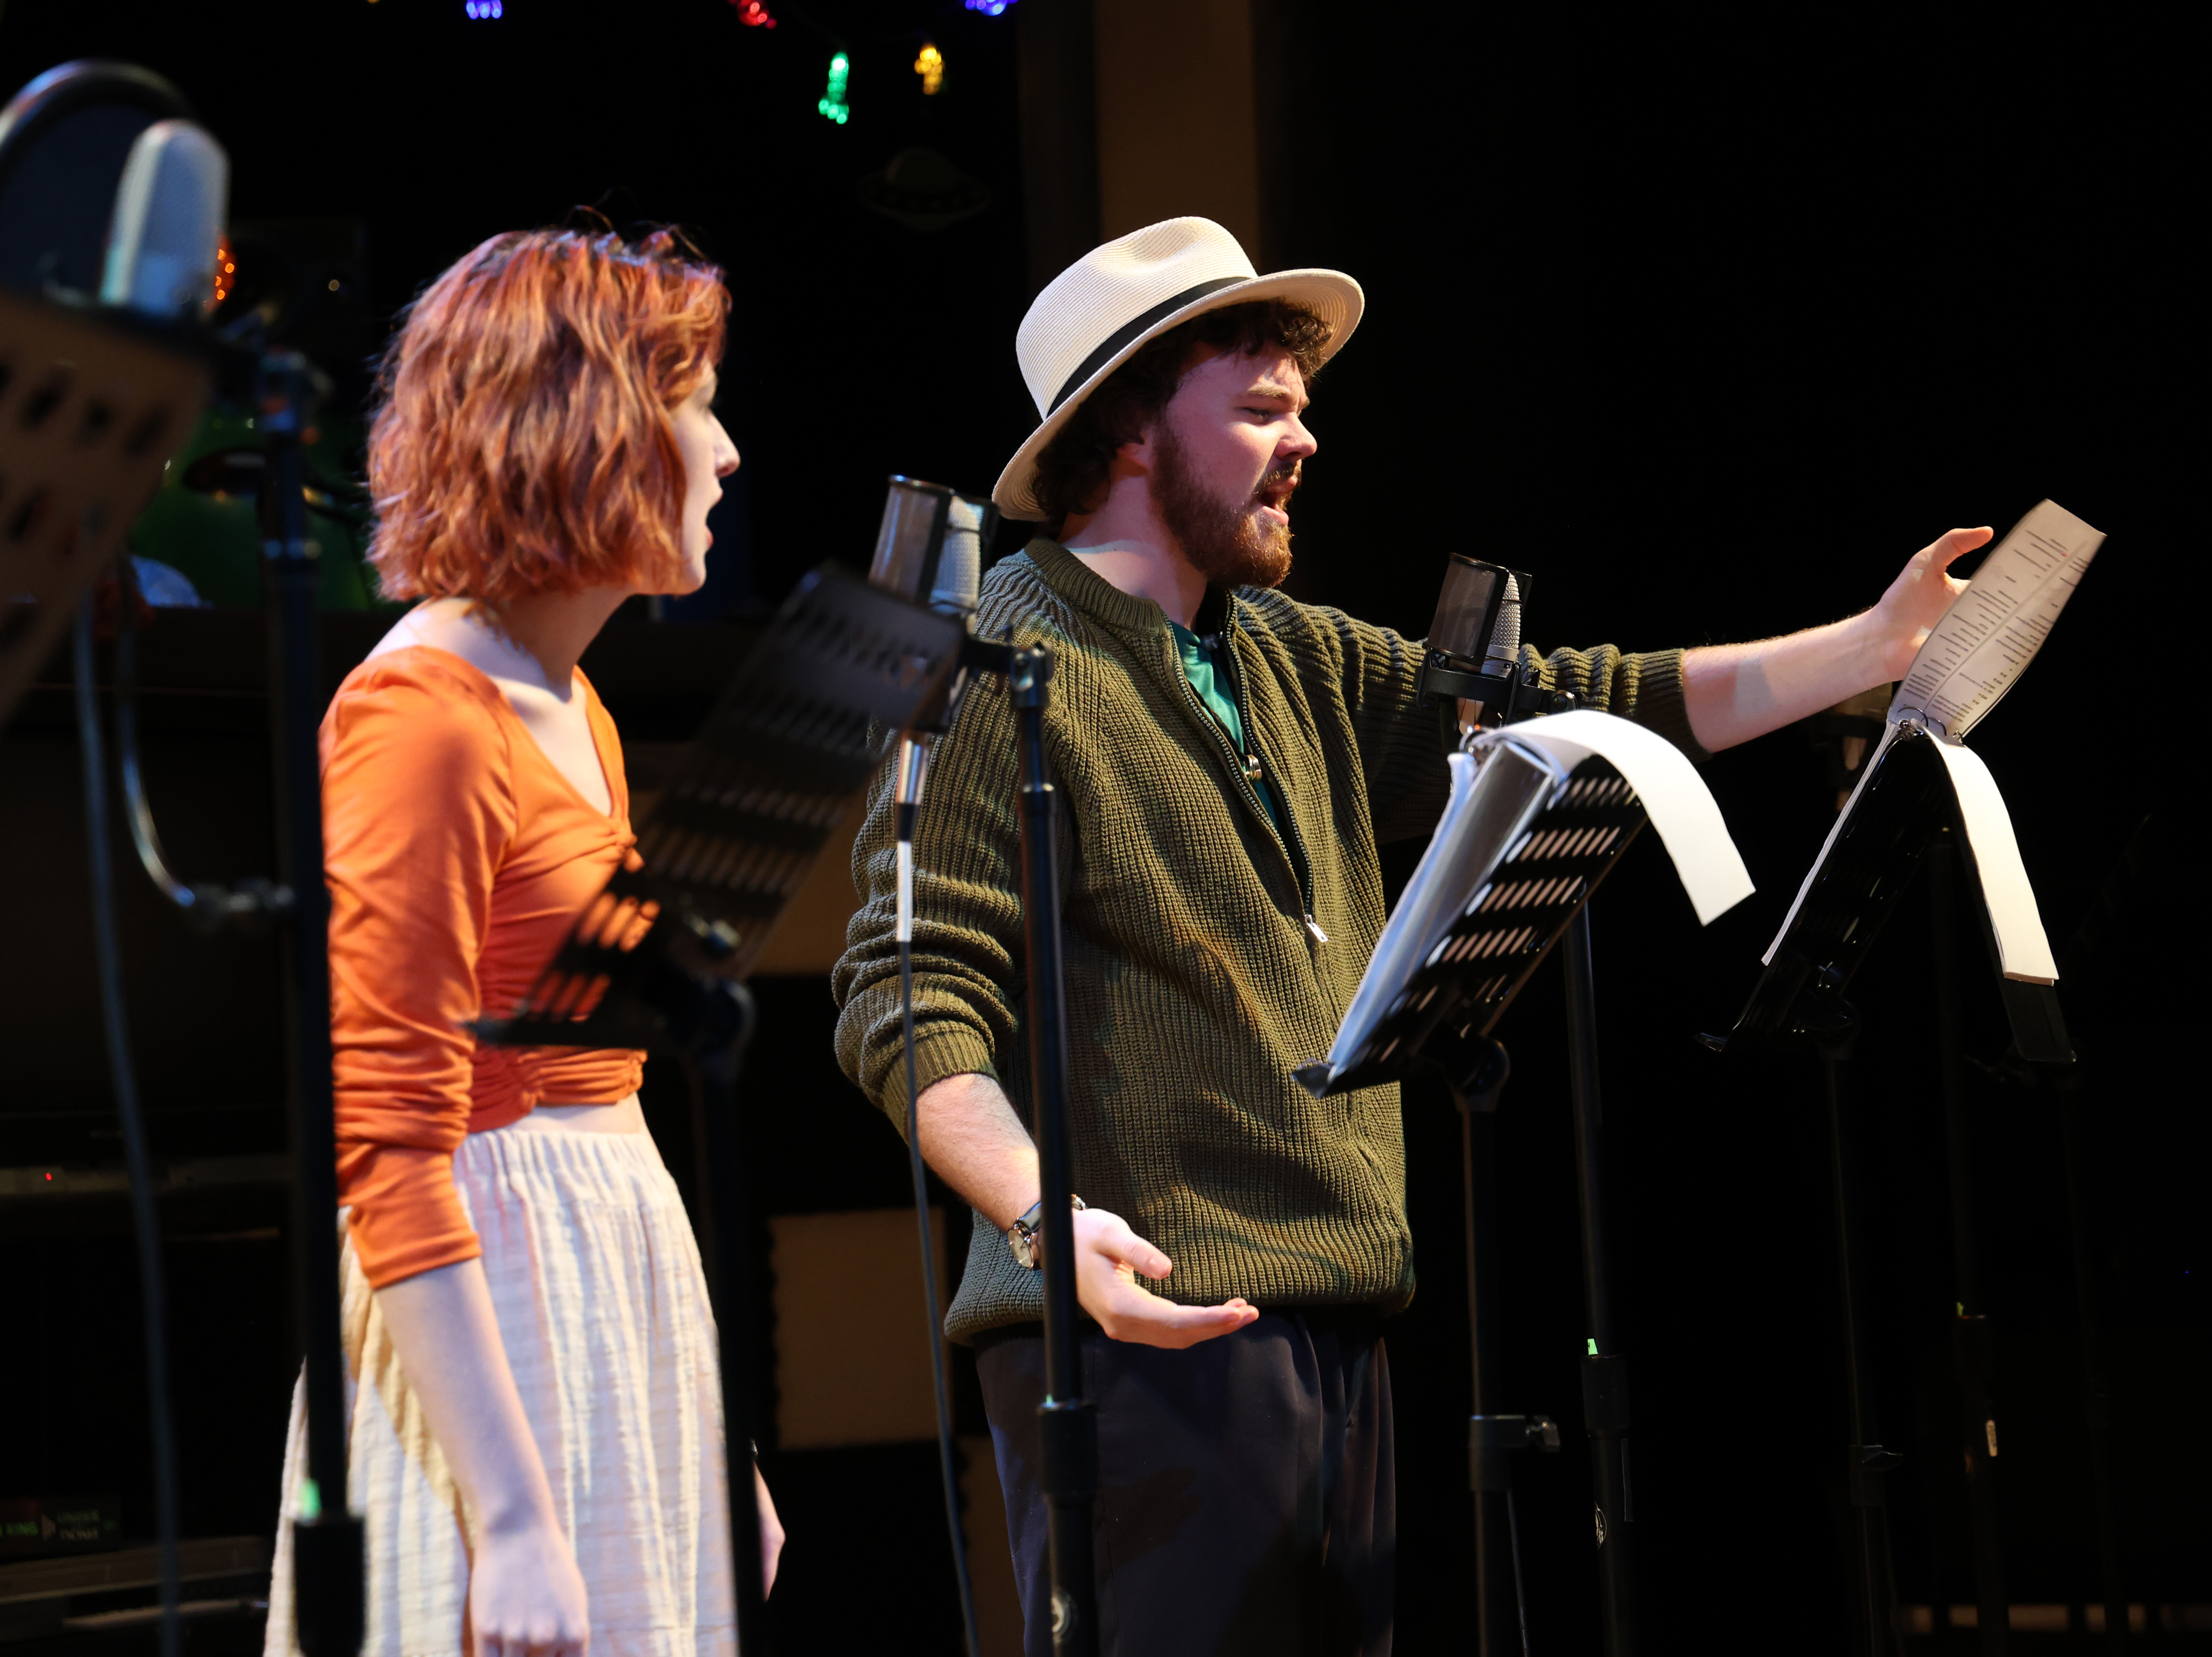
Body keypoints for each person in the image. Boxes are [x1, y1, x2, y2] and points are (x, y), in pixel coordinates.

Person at [830, 217, 1987, 1655]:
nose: (1304, 439)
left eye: (1302, 408)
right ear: (1127, 432)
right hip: (1141, 1338)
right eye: (1261, 408)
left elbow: (1589, 702)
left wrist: (1871, 651)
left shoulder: (1287, 651)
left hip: (1331, 1322)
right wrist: (1033, 1212)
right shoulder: (1006, 665)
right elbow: (909, 988)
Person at [265, 224, 783, 1657]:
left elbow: (598, 1078)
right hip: (493, 1331)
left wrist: (717, 1435)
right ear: (592, 429)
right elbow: (386, 1140)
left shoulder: (579, 704)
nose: (727, 451)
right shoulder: (420, 719)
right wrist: (507, 1516)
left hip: (616, 1297)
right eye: (695, 404)